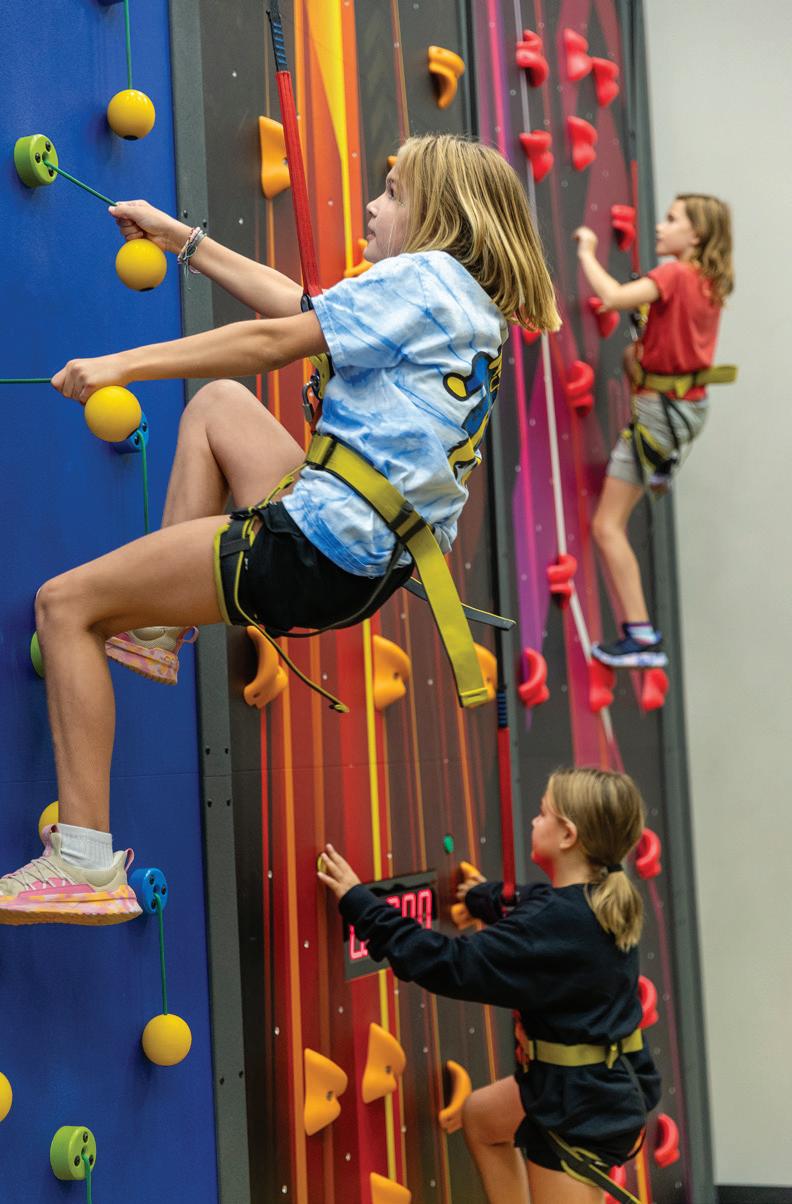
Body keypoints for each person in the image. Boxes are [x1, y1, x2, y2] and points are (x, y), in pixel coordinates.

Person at [0, 134, 559, 924]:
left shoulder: (423, 278)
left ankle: (85, 860)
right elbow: (298, 307)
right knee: (220, 406)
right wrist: (182, 239)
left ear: (439, 213)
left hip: (317, 543)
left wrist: (121, 365)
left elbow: (272, 341)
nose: (374, 206)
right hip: (362, 558)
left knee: (65, 606)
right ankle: (158, 626)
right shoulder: (470, 309)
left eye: (394, 193)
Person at [319, 767, 661, 1204]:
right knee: (481, 1117)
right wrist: (480, 897)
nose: (535, 821)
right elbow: (525, 905)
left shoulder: (553, 923)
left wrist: (360, 903)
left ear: (568, 836)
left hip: (578, 1109)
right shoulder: (593, 900)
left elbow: (449, 963)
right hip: (598, 1083)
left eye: (543, 814)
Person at [574, 194, 734, 668]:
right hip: (684, 408)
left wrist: (587, 250)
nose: (661, 227)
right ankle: (658, 465)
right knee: (631, 357)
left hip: (661, 414)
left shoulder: (674, 275)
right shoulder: (707, 281)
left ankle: (641, 636)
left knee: (607, 526)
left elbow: (613, 297)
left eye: (672, 219)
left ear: (696, 235)